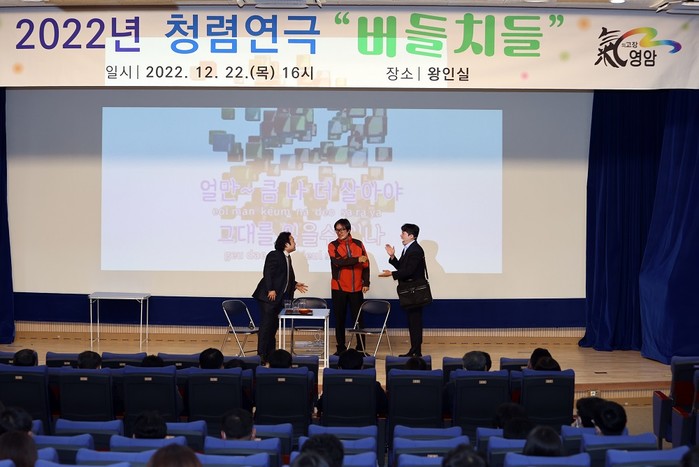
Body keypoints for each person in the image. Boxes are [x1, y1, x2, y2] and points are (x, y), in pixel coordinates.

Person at [253, 231, 308, 364]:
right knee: (266, 327)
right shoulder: (274, 255)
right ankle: (261, 355)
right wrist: (270, 289)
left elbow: (283, 277)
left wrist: (294, 284)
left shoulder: (287, 257)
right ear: (285, 244)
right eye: (292, 240)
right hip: (268, 297)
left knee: (273, 327)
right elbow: (268, 273)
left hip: (278, 299)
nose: (295, 243)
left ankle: (270, 354)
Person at [379, 223, 427, 357]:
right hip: (410, 291)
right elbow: (402, 267)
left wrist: (392, 274)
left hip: (415, 292)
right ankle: (415, 350)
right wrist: (392, 257)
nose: (401, 236)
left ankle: (416, 351)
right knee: (412, 321)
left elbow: (409, 271)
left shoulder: (415, 250)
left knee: (415, 321)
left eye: (403, 233)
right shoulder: (408, 249)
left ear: (411, 236)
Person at [328, 218, 370, 356]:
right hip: (339, 287)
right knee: (339, 319)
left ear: (348, 230)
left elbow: (366, 264)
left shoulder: (358, 244)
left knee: (358, 319)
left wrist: (366, 282)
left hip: (356, 288)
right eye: (337, 230)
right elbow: (338, 262)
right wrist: (357, 259)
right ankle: (340, 348)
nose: (339, 232)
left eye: (342, 230)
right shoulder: (332, 245)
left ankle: (361, 348)